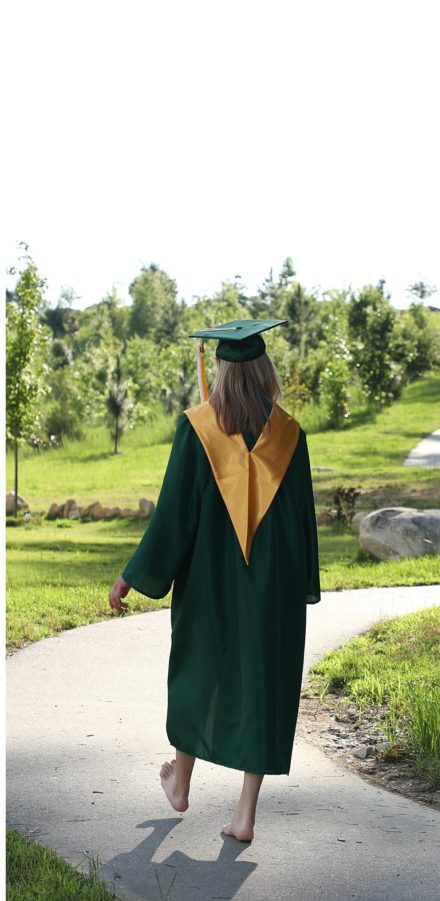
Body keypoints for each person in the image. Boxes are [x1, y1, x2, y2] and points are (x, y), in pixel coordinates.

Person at [108, 319, 320, 842]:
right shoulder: (290, 434)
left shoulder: (199, 427)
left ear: (221, 371)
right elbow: (302, 520)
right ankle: (244, 815)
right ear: (265, 370)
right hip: (272, 587)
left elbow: (174, 517)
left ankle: (180, 784)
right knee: (263, 685)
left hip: (209, 581)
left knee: (199, 671)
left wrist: (133, 575)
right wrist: (301, 585)